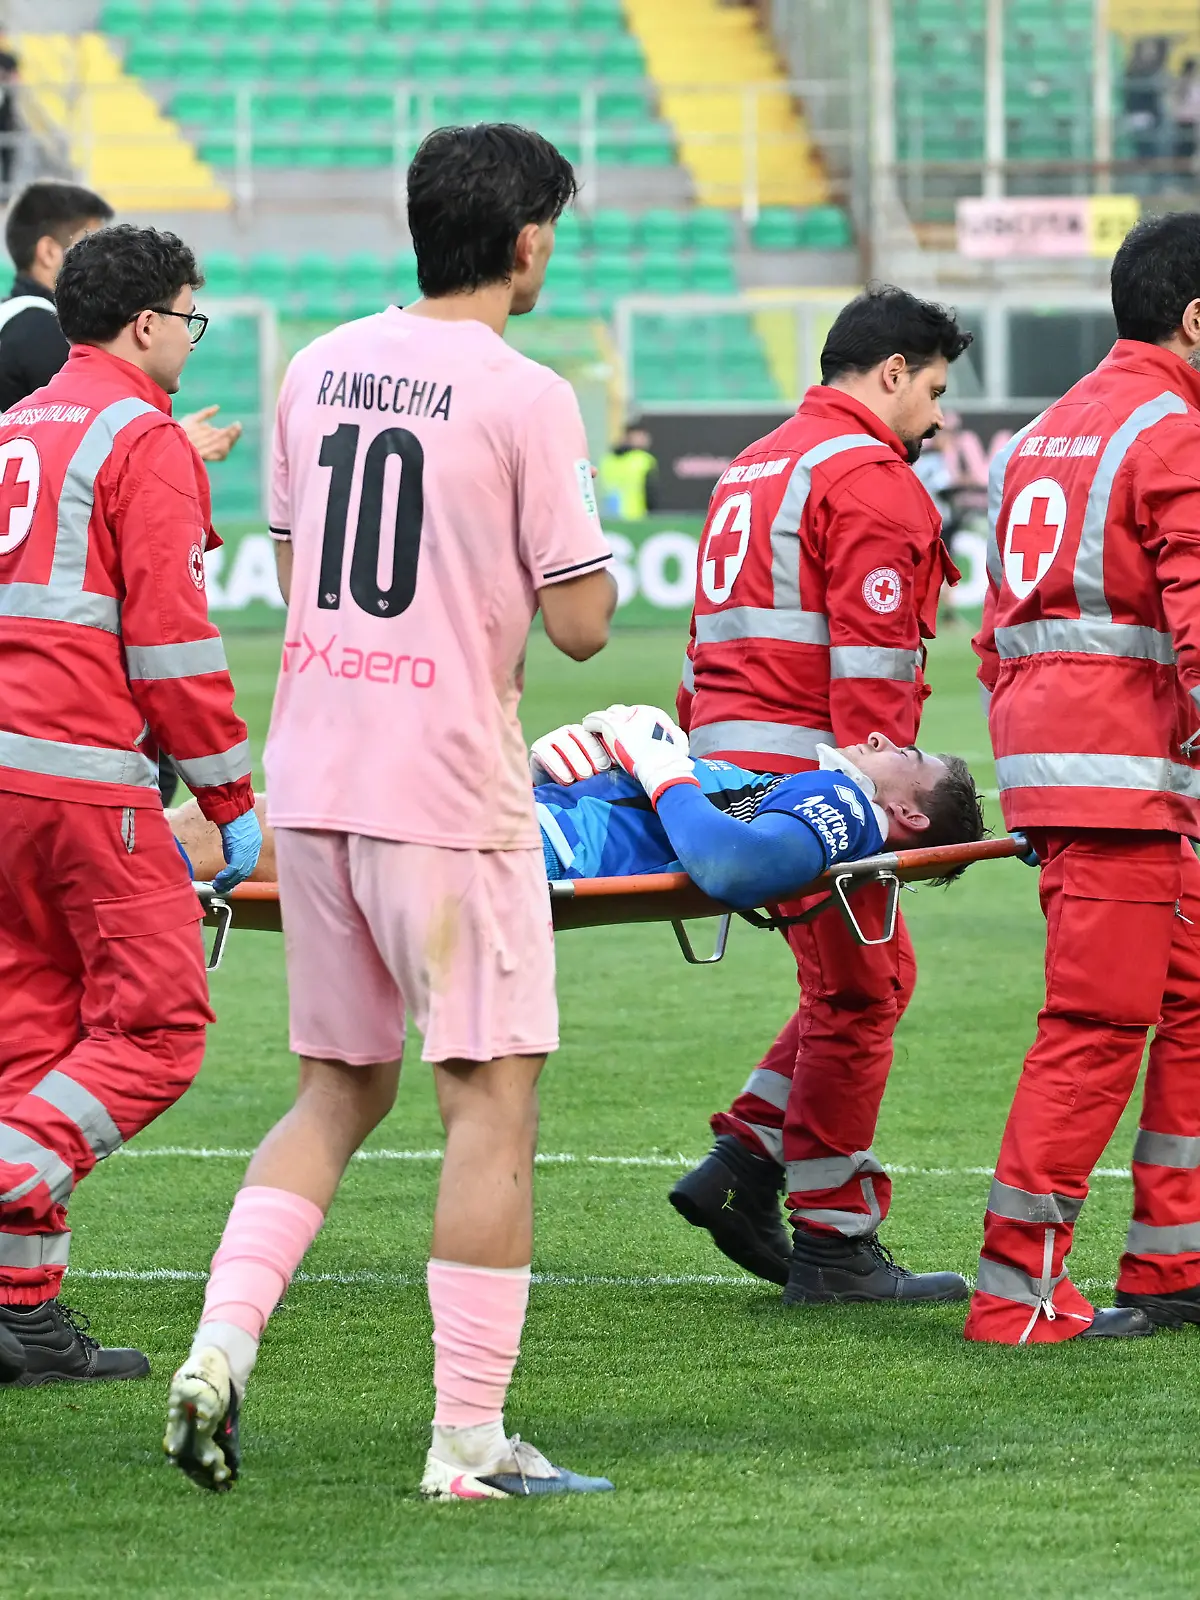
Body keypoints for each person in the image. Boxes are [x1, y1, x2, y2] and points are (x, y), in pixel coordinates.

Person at [163, 123, 618, 1500]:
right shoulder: (524, 391)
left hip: (313, 779)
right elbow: (588, 622)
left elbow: (301, 568)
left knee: (337, 1086)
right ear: (528, 239)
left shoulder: (312, 368)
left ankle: (218, 1347)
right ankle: (468, 1443)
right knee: (490, 1101)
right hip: (444, 787)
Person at [669, 285, 977, 1301]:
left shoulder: (757, 464)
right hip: (820, 785)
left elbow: (703, 646)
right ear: (891, 372)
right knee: (863, 992)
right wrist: (882, 819)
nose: (937, 418)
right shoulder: (873, 480)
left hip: (731, 776)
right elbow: (875, 691)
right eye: (932, 391)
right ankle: (836, 1239)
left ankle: (745, 1160)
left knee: (861, 984)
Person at [0, 224, 262, 1385]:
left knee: (33, 1033)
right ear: (148, 321)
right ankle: (9, 1177)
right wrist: (229, 795)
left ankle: (19, 1309)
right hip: (82, 781)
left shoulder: (14, 428)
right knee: (157, 1027)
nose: (193, 339)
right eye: (191, 318)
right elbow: (170, 643)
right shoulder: (142, 438)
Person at [966, 211, 1200, 1345]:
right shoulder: (1176, 430)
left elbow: (996, 622)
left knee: (1186, 1004)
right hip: (1127, 778)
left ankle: (1173, 1257)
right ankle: (1017, 1292)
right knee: (1098, 1024)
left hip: (1072, 767)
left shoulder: (1049, 428)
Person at [168, 711, 986, 904]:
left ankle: (115, 869)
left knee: (250, 825)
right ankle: (126, 862)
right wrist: (593, 755)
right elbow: (686, 804)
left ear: (908, 817)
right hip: (532, 820)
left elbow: (735, 867)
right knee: (272, 815)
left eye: (906, 755)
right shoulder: (815, 797)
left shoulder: (843, 802)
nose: (882, 738)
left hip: (532, 844)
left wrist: (662, 770)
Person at [0, 181, 244, 459]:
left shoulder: (13, 319)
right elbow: (76, 453)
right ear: (48, 252)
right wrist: (169, 447)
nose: (102, 252)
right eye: (86, 239)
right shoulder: (42, 331)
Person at [597, 418, 658, 520]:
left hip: (609, 517)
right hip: (637, 518)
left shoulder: (607, 459)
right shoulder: (644, 459)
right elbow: (651, 493)